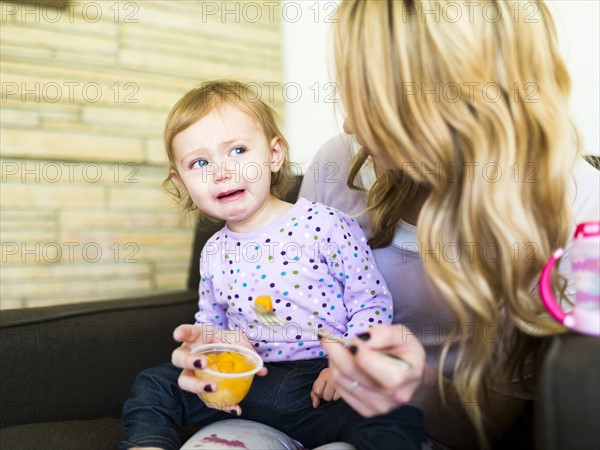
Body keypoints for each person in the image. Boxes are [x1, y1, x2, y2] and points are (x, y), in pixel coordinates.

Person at [306, 1, 600, 449]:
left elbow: (489, 428)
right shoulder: (339, 162)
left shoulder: (575, 205)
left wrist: (417, 386)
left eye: (373, 101)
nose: (349, 122)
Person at [120, 80, 424, 450]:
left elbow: (370, 301)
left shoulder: (325, 224)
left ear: (274, 153)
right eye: (200, 163)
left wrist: (349, 365)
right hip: (248, 387)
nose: (221, 171)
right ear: (180, 180)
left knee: (396, 416)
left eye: (237, 150)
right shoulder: (214, 251)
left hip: (319, 384)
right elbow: (212, 322)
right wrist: (211, 356)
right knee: (154, 382)